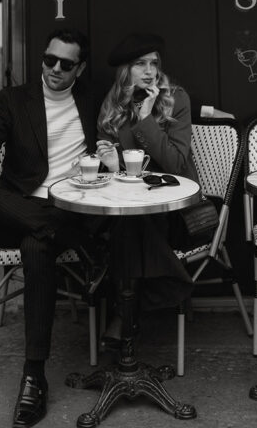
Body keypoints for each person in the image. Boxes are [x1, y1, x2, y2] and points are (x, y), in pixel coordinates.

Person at [0, 27, 100, 428]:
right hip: (16, 205)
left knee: (37, 244)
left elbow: (115, 128)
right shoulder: (14, 98)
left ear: (80, 68)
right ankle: (90, 251)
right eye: (49, 59)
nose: (55, 69)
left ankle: (33, 376)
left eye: (66, 63)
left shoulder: (90, 100)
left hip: (63, 208)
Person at [95, 32, 198, 344]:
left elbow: (176, 165)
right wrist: (112, 167)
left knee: (130, 226)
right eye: (140, 64)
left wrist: (144, 119)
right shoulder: (112, 106)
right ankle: (165, 286)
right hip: (129, 210)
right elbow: (115, 176)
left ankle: (122, 312)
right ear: (125, 70)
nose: (150, 71)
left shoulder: (175, 100)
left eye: (154, 63)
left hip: (175, 211)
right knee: (128, 222)